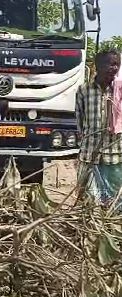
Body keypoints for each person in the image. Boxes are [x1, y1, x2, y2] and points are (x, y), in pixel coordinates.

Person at [76, 48, 122, 209]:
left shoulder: (120, 91)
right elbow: (80, 121)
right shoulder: (84, 90)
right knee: (88, 202)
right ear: (98, 66)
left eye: (117, 65)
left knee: (115, 202)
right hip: (89, 154)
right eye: (111, 64)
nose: (115, 68)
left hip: (115, 155)